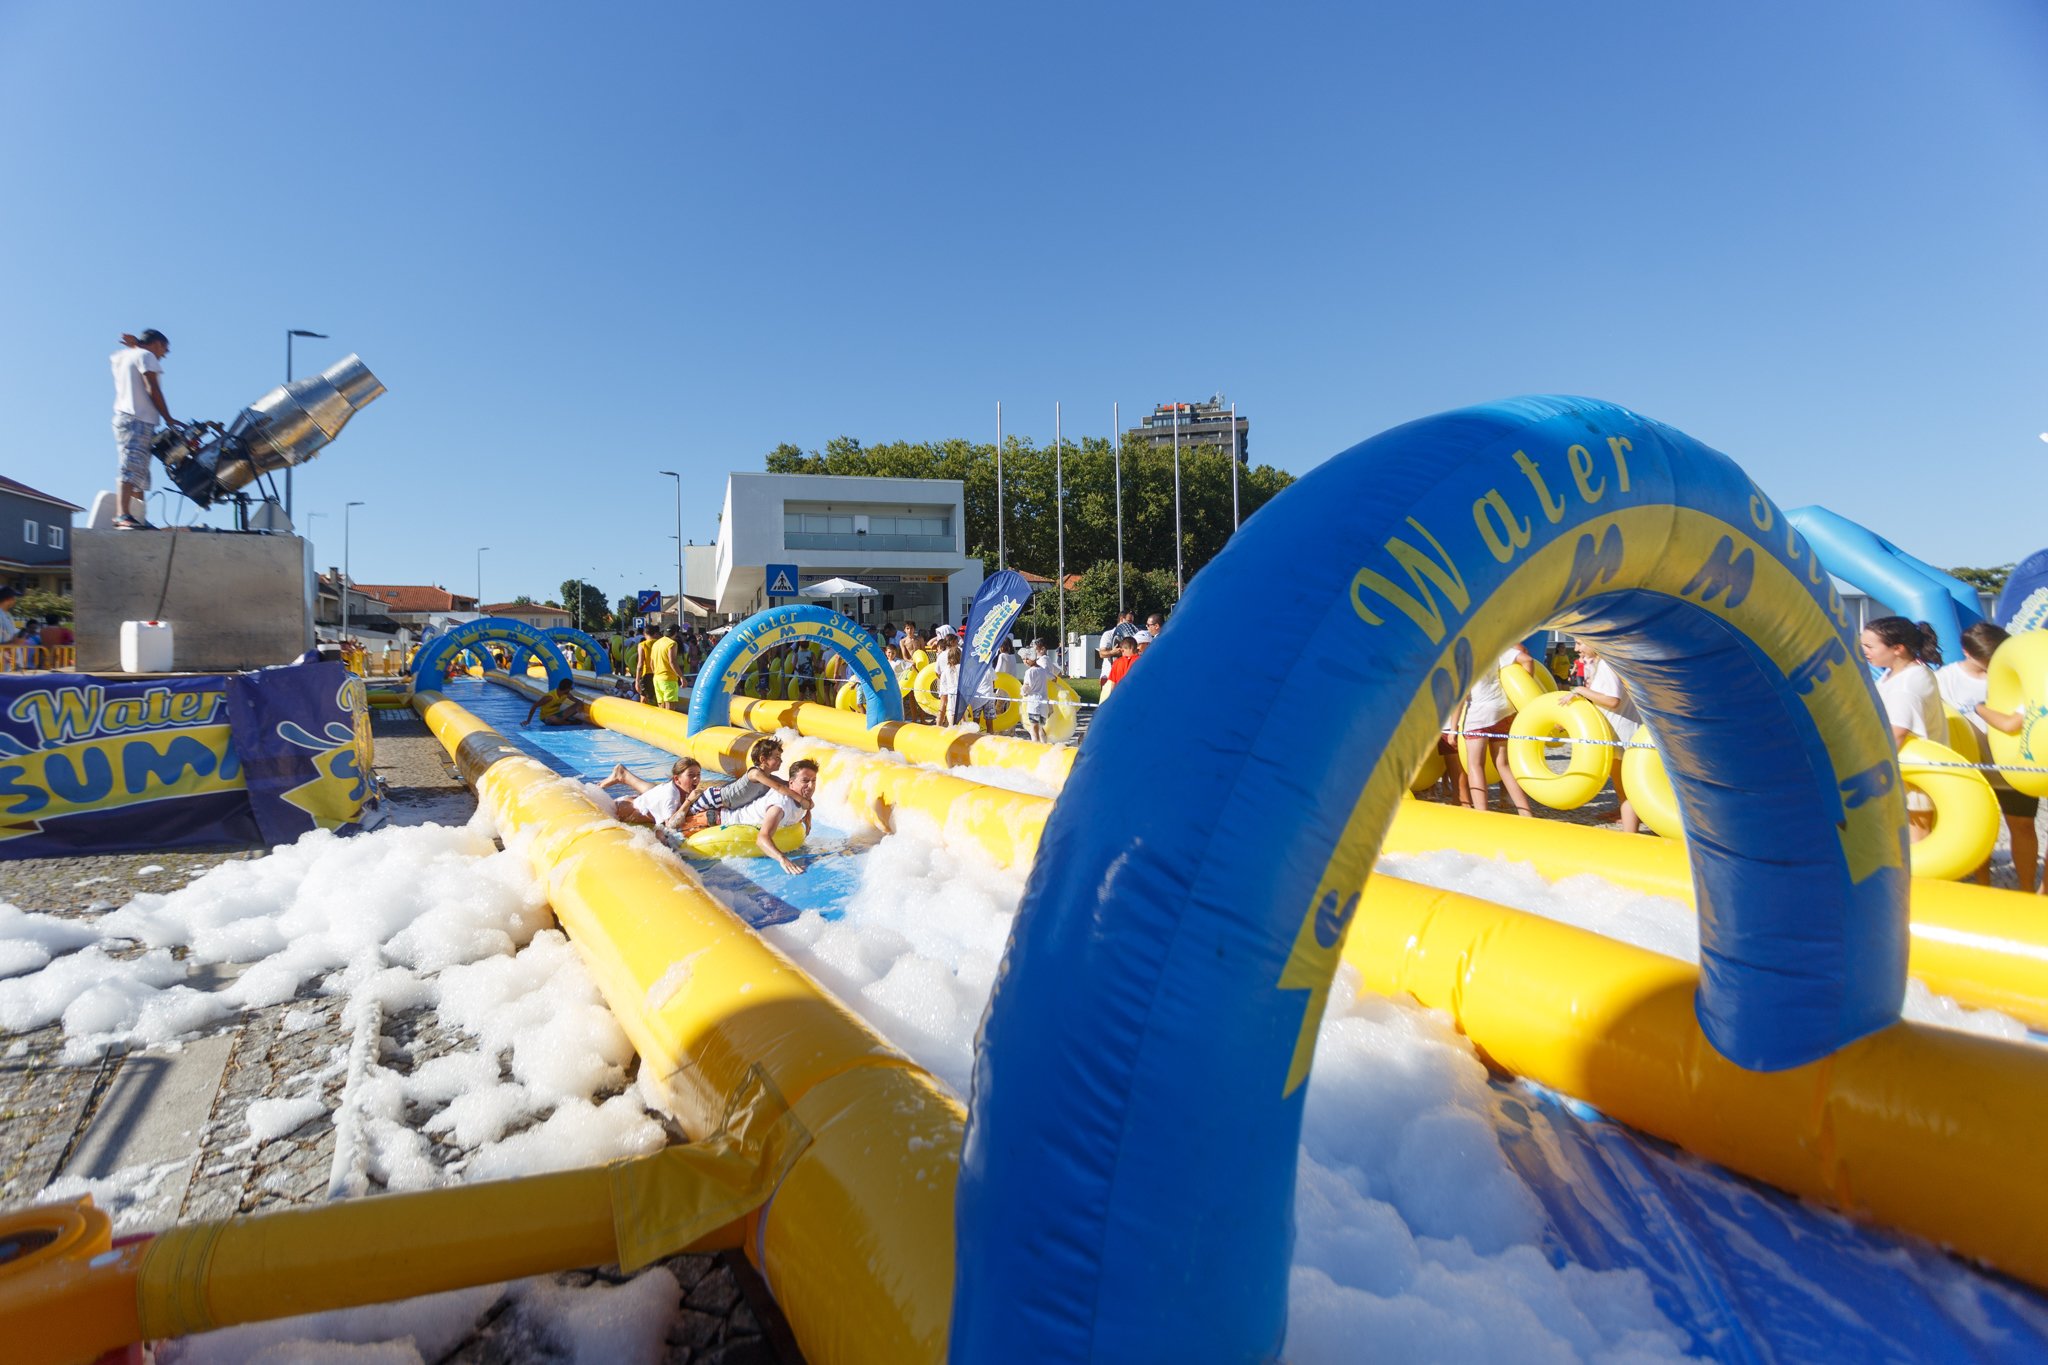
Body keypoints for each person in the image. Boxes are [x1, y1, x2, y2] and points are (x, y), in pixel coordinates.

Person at [1938, 621, 2042, 891]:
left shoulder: (2018, 675)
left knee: (2022, 825)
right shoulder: (1946, 679)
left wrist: (1981, 709)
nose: (1994, 664)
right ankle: (1983, 886)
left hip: (2014, 767)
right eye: (1987, 659)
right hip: (1971, 767)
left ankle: (2026, 889)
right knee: (1979, 830)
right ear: (1967, 652)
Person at [1862, 616, 1944, 844]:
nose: (1864, 651)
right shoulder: (1898, 673)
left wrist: (1870, 771)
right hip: (1904, 774)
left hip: (1912, 779)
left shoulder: (1907, 685)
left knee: (1916, 839)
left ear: (1897, 648)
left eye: (1869, 646)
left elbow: (1897, 733)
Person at [1458, 646, 1537, 818]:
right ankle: (1526, 813)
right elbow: (1528, 660)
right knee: (1503, 764)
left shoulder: (1463, 656)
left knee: (1475, 765)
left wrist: (1454, 726)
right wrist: (1525, 689)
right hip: (1502, 709)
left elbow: (1461, 695)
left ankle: (1482, 815)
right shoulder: (1497, 648)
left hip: (1477, 713)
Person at [1572, 639, 1642, 833]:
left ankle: (1631, 837)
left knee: (1629, 790)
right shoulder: (1607, 663)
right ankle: (1627, 821)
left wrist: (1581, 690)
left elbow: (1612, 701)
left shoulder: (1606, 664)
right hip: (1617, 733)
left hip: (1622, 734)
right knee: (1623, 786)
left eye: (1580, 643)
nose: (1576, 649)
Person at [111, 330, 174, 529]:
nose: (164, 354)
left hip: (129, 418)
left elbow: (126, 355)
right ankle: (122, 515)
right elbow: (152, 387)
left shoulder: (123, 356)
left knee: (140, 472)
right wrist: (168, 418)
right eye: (165, 349)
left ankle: (137, 516)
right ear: (157, 344)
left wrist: (136, 344)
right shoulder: (146, 356)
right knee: (131, 467)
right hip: (137, 418)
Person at [717, 757, 818, 875]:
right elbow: (762, 839)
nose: (811, 786)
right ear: (791, 783)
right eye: (805, 781)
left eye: (814, 780)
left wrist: (808, 815)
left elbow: (807, 805)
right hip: (722, 819)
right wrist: (783, 859)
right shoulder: (780, 805)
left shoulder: (804, 798)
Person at [603, 756, 703, 831]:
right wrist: (688, 801)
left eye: (698, 774)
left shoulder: (682, 788)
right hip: (622, 810)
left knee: (653, 791)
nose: (696, 778)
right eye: (691, 775)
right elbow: (671, 826)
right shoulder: (670, 797)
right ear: (677, 779)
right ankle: (620, 775)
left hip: (642, 801)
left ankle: (623, 774)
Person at [524, 678, 590, 727]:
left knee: (577, 705)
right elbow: (534, 706)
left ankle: (564, 721)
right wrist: (528, 721)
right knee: (553, 719)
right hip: (547, 718)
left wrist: (579, 706)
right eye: (571, 688)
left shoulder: (566, 694)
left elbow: (577, 701)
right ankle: (569, 722)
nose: (571, 690)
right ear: (567, 689)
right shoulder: (550, 697)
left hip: (558, 715)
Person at [1021, 643, 1053, 743]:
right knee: (1041, 728)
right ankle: (1044, 745)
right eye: (1023, 659)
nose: (1025, 661)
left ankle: (1036, 746)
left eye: (1027, 659)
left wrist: (1022, 692)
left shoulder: (1029, 672)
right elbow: (1052, 678)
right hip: (1043, 703)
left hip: (1034, 703)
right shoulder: (1042, 670)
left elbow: (1026, 687)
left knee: (1034, 729)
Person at [648, 624, 682, 711]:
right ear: (675, 633)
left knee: (661, 707)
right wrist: (681, 677)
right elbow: (672, 661)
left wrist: (656, 673)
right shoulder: (672, 643)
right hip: (668, 678)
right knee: (670, 708)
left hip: (657, 678)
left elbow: (651, 663)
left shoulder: (656, 643)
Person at [1097, 609, 1138, 679]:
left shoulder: (1133, 634)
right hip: (1108, 675)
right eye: (1129, 621)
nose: (1131, 624)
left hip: (1124, 675)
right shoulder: (1108, 634)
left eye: (1132, 622)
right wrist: (1113, 652)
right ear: (1121, 619)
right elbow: (1101, 654)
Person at [935, 637, 962, 726]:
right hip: (958, 689)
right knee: (961, 711)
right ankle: (961, 727)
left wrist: (943, 679)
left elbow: (937, 671)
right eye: (956, 642)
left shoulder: (941, 655)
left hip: (946, 684)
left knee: (943, 705)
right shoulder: (959, 652)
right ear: (952, 642)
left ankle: (939, 725)